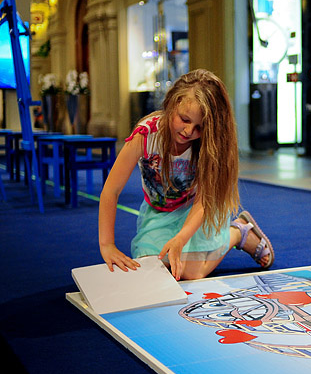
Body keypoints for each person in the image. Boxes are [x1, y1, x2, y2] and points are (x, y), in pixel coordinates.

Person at [98, 69, 274, 280]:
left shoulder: (208, 143)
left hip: (196, 208)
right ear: (172, 103)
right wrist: (107, 244)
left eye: (199, 127)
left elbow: (204, 200)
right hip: (159, 212)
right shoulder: (145, 136)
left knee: (192, 272)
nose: (189, 131)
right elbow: (111, 190)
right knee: (154, 268)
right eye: (184, 119)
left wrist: (181, 238)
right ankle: (233, 233)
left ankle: (238, 232)